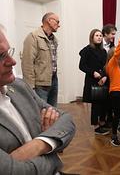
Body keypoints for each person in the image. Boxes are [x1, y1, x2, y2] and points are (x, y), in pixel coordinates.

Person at [0, 28, 75, 174]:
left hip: (51, 79)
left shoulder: (19, 87)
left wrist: (41, 144)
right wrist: (53, 154)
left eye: (8, 52)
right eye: (0, 56)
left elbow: (66, 119)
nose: (12, 61)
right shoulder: (33, 37)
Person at [21, 12, 60, 107]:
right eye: (57, 22)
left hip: (53, 81)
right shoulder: (33, 37)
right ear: (49, 21)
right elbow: (27, 63)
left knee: (53, 112)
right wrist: (30, 87)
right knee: (40, 113)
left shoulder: (54, 39)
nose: (59, 25)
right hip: (40, 85)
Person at [79, 29, 109, 135]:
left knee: (103, 103)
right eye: (97, 35)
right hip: (92, 80)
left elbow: (106, 66)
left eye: (100, 35)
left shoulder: (104, 51)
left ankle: (102, 122)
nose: (99, 37)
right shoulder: (87, 50)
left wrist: (105, 76)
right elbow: (82, 66)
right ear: (92, 37)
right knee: (96, 104)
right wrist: (93, 73)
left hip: (103, 80)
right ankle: (96, 127)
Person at [105, 25, 120, 146]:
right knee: (117, 115)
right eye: (116, 52)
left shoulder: (119, 65)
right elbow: (118, 50)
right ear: (112, 54)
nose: (119, 53)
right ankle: (113, 136)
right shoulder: (111, 63)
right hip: (115, 92)